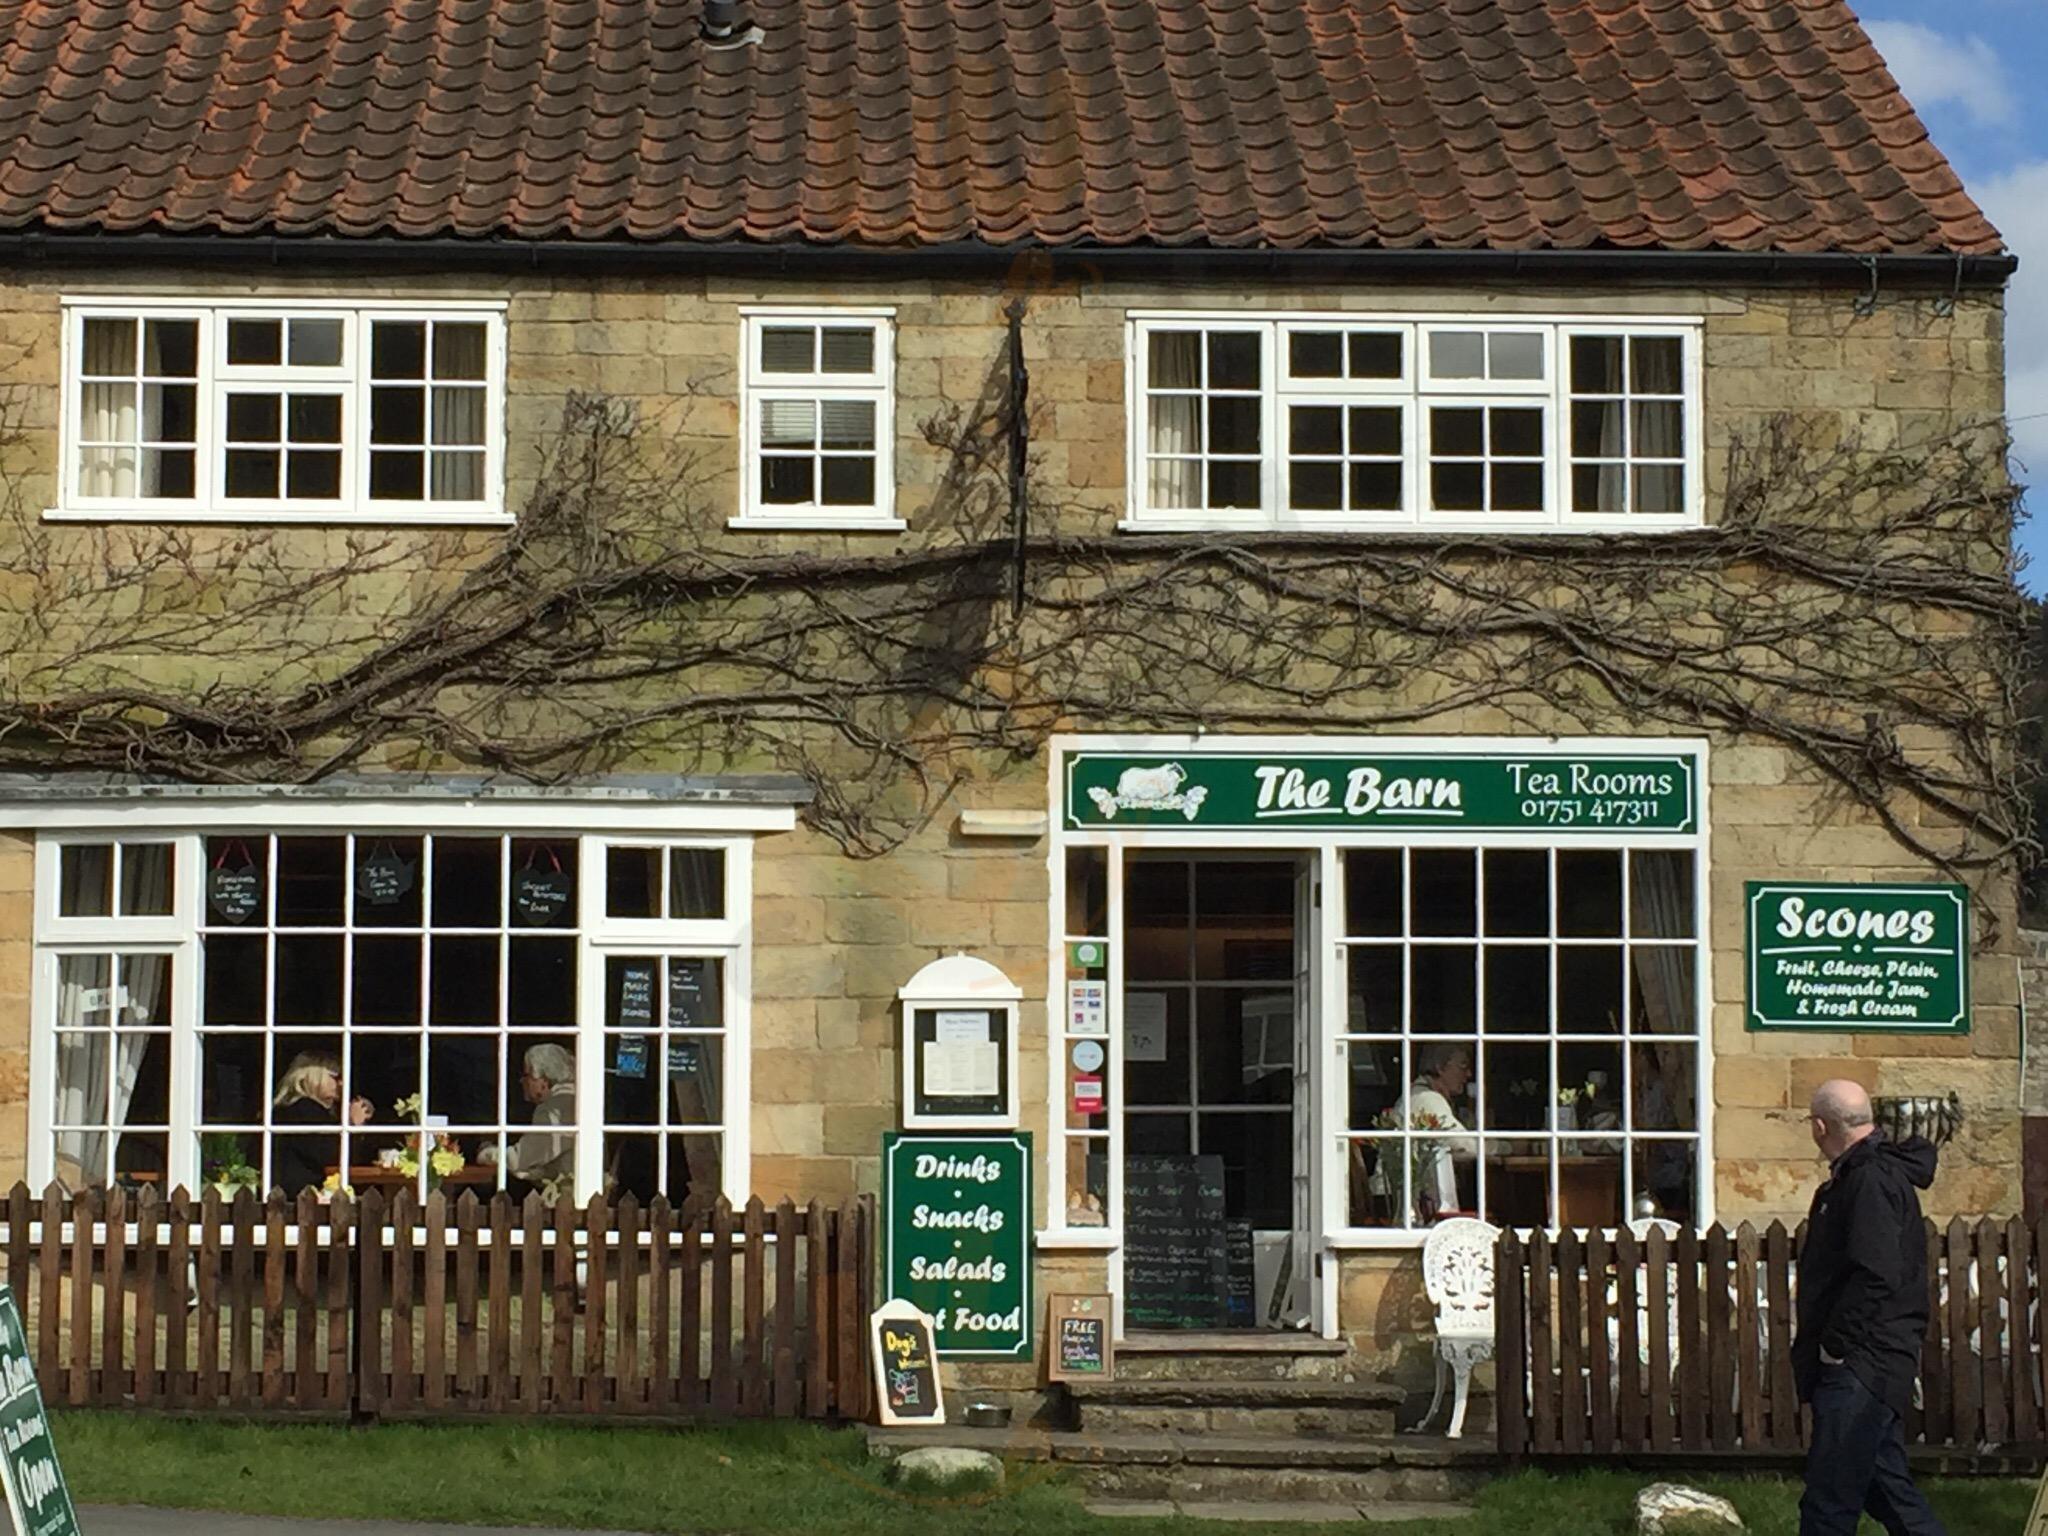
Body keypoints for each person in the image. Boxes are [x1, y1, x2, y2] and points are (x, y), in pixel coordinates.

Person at [1793, 1079, 1945, 1536]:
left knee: (1828, 1504)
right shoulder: (1860, 1177)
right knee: (1887, 1491)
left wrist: (1836, 1347)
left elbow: (1876, 1273)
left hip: (1863, 1362)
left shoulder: (1869, 1180)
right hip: (1872, 1358)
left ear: (1820, 1126)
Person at [271, 1051, 372, 1196]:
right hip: (301, 1196)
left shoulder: (301, 1109)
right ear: (314, 1077)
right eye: (335, 1077)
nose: (341, 1083)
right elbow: (330, 1157)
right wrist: (351, 1125)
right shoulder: (303, 1110)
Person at [479, 1044, 575, 1186]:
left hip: (568, 1198)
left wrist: (487, 1153)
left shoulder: (551, 1109)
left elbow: (518, 1160)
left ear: (543, 1081)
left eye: (527, 1076)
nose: (522, 1082)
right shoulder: (580, 1101)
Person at [1404, 1043, 1476, 1218]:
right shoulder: (1427, 1099)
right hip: (1408, 1200)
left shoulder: (1426, 1095)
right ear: (1440, 1067)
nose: (1468, 1074)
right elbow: (1464, 1146)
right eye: (1463, 1065)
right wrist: (1506, 1146)